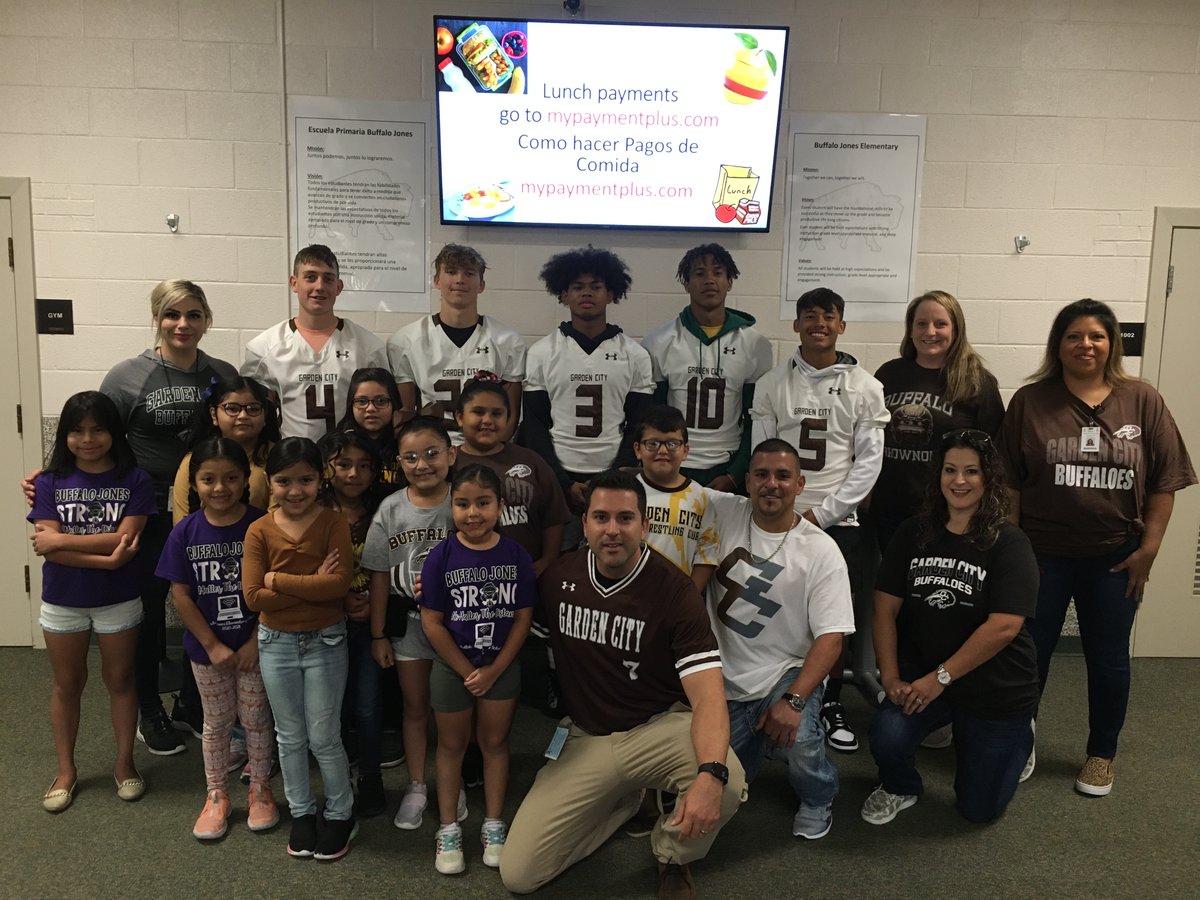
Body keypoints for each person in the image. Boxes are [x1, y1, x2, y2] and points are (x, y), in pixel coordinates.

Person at [500, 470, 745, 900]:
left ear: (644, 524)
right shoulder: (559, 579)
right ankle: (627, 800)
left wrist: (710, 774)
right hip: (587, 736)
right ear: (586, 523)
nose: (612, 530)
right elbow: (509, 619)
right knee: (519, 875)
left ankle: (672, 855)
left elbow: (708, 695)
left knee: (727, 780)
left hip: (657, 728)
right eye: (600, 517)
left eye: (625, 518)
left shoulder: (674, 590)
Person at [1000, 298, 1195, 797]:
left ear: (1112, 343)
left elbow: (1164, 484)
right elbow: (1011, 486)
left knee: (1108, 658)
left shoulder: (1142, 400)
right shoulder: (1030, 401)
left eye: (1096, 336)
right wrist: (1012, 553)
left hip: (1116, 556)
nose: (1085, 344)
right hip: (1041, 555)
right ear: (1058, 345)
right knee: (1028, 655)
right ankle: (1020, 738)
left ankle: (1101, 754)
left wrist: (1148, 551)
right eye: (1073, 336)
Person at [863, 429, 1039, 825]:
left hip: (995, 686)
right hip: (924, 673)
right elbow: (884, 608)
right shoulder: (913, 533)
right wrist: (890, 678)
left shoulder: (1009, 543)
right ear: (938, 475)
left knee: (978, 810)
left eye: (971, 471)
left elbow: (1005, 627)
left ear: (988, 478)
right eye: (950, 470)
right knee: (888, 733)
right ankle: (901, 786)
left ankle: (1019, 735)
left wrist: (940, 678)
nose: (959, 481)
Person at [100, 279, 237, 754]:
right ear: (157, 318)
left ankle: (192, 704)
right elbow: (100, 444)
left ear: (206, 319)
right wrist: (55, 482)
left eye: (194, 314)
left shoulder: (222, 373)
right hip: (149, 512)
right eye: (172, 314)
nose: (183, 324)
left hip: (210, 510)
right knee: (150, 610)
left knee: (208, 602)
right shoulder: (126, 376)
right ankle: (149, 709)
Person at [692, 439, 854, 840]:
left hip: (786, 672)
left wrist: (794, 700)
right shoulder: (723, 511)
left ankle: (819, 797)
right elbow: (668, 482)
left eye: (783, 476)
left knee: (802, 744)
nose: (772, 484)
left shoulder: (821, 550)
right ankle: (758, 743)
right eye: (761, 474)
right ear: (746, 481)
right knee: (714, 774)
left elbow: (831, 639)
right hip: (721, 675)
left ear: (800, 485)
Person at [751, 286, 889, 754]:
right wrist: (785, 510)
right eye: (808, 316)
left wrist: (822, 513)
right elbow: (763, 454)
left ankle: (830, 700)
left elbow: (868, 465)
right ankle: (773, 691)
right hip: (779, 518)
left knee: (832, 620)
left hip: (837, 523)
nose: (818, 323)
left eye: (828, 316)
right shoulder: (772, 383)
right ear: (796, 325)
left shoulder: (866, 387)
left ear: (841, 326)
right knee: (780, 608)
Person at [30, 391, 155, 812]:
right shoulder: (48, 481)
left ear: (113, 433)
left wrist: (63, 538)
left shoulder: (135, 479)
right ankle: (66, 770)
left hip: (118, 600)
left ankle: (124, 765)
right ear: (65, 435)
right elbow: (46, 549)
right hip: (64, 600)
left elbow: (125, 536)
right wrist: (107, 561)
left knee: (120, 680)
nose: (88, 439)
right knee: (68, 684)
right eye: (77, 430)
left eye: (98, 429)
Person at [156, 438, 276, 839]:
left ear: (246, 481)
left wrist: (253, 642)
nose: (220, 487)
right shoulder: (185, 532)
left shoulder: (263, 526)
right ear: (194, 484)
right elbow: (181, 595)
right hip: (207, 651)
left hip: (255, 646)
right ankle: (216, 794)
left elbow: (276, 591)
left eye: (230, 478)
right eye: (208, 479)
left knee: (257, 720)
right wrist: (211, 645)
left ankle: (260, 789)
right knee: (217, 722)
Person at [419, 464, 536, 875]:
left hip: (500, 667)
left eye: (483, 503)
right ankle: (448, 827)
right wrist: (467, 669)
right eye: (463, 504)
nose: (473, 513)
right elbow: (432, 621)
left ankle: (493, 822)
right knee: (450, 747)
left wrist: (494, 669)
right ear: (451, 506)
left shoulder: (516, 555)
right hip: (454, 668)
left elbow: (523, 618)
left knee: (495, 744)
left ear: (500, 506)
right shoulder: (441, 555)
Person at [242, 437, 356, 860]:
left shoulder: (333, 523)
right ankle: (303, 812)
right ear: (269, 482)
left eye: (306, 480)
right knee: (289, 737)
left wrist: (278, 580)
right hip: (275, 643)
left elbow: (339, 586)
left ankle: (342, 811)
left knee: (324, 737)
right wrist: (311, 585)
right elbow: (253, 597)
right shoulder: (258, 529)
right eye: (284, 481)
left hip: (327, 640)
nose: (295, 490)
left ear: (320, 478)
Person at [364, 418, 466, 831]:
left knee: (451, 707)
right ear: (399, 462)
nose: (422, 464)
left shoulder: (463, 503)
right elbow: (378, 574)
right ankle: (418, 783)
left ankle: (451, 780)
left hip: (457, 623)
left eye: (431, 453)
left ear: (451, 455)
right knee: (415, 706)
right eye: (410, 457)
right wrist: (377, 634)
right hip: (407, 624)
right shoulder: (391, 508)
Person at [520, 246, 655, 542]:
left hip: (615, 476)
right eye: (577, 287)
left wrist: (613, 477)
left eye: (596, 286)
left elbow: (638, 427)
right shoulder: (542, 353)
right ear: (563, 294)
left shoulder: (635, 355)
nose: (587, 293)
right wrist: (561, 481)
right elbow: (535, 426)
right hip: (557, 477)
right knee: (559, 565)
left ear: (611, 293)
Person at [872, 290, 1004, 555]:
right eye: (921, 323)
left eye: (940, 324)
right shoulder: (889, 374)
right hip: (888, 508)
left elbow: (995, 453)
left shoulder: (977, 381)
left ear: (956, 329)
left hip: (948, 512)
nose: (929, 331)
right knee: (889, 589)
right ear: (910, 330)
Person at [642, 244, 773, 493]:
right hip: (673, 463)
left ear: (730, 281)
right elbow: (651, 418)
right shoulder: (659, 340)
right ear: (686, 283)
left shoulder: (755, 344)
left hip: (727, 463)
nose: (710, 280)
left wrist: (735, 474)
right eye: (700, 273)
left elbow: (756, 420)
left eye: (718, 272)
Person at [241, 244, 388, 440]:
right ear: (294, 283)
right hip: (292, 462)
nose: (319, 286)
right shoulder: (263, 348)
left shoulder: (369, 346)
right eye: (310, 277)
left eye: (328, 278)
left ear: (339, 287)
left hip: (350, 461)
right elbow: (255, 417)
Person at [316, 430, 387, 818]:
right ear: (327, 469)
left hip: (371, 624)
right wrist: (340, 598)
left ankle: (372, 777)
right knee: (334, 707)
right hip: (326, 622)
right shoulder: (314, 511)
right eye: (343, 464)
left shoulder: (383, 509)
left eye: (363, 466)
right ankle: (338, 778)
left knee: (367, 704)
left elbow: (393, 566)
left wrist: (373, 606)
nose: (353, 474)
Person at [388, 243, 526, 443]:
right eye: (451, 272)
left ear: (482, 285)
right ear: (436, 280)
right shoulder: (405, 341)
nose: (460, 280)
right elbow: (406, 416)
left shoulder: (508, 341)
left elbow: (510, 420)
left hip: (486, 451)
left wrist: (486, 457)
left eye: (469, 273)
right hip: (431, 450)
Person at [172, 375, 280, 524]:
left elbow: (280, 522)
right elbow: (182, 523)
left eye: (253, 409)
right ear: (213, 414)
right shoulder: (194, 460)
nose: (243, 416)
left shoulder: (279, 457)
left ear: (265, 415)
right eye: (232, 409)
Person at [633, 405, 717, 578]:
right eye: (653, 444)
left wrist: (689, 598)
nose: (662, 450)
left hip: (679, 598)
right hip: (627, 594)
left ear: (685, 451)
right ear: (638, 450)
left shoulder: (699, 497)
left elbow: (706, 555)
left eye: (672, 443)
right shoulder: (625, 492)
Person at [333, 367, 404, 491]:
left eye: (381, 401)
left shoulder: (406, 442)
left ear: (394, 403)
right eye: (362, 401)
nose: (371, 408)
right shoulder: (337, 444)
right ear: (351, 404)